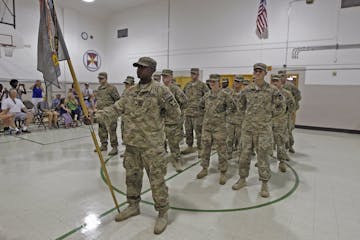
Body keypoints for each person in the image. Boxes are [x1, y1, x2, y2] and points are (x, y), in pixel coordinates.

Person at [85, 57, 181, 234]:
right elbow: (115, 109)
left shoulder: (161, 91)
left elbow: (175, 115)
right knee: (132, 178)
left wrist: (159, 132)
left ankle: (162, 212)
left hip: (152, 147)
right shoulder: (130, 92)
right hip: (132, 146)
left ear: (152, 70)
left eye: (143, 68)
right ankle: (133, 205)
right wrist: (95, 117)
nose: (139, 71)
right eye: (137, 68)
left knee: (157, 181)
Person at [232, 63, 285, 198]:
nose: (257, 73)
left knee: (262, 157)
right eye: (255, 71)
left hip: (263, 130)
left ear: (265, 73)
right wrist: (248, 117)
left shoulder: (272, 90)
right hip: (248, 130)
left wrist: (269, 116)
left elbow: (281, 107)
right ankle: (242, 179)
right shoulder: (247, 90)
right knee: (243, 156)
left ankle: (264, 184)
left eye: (260, 71)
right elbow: (240, 106)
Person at [196, 74, 235, 185]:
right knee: (205, 149)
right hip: (207, 127)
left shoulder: (225, 95)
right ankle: (204, 168)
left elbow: (233, 108)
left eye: (214, 82)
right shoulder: (206, 96)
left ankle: (223, 172)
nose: (211, 84)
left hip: (219, 128)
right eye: (210, 82)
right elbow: (200, 106)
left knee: (222, 150)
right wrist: (206, 116)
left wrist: (223, 116)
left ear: (219, 82)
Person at [161, 69, 188, 172]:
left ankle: (176, 160)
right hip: (161, 121)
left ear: (171, 77)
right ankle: (163, 157)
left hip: (173, 122)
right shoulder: (160, 89)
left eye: (166, 76)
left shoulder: (175, 89)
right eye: (163, 76)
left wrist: (179, 115)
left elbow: (185, 102)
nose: (164, 78)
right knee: (161, 142)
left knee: (173, 143)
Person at [270, 75, 295, 172]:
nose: (275, 83)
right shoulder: (269, 93)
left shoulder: (287, 94)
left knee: (280, 143)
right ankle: (266, 159)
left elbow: (292, 107)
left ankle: (282, 162)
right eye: (273, 81)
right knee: (267, 142)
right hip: (269, 122)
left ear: (281, 82)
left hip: (281, 123)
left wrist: (284, 116)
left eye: (277, 81)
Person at [182, 68, 209, 157]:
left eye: (194, 74)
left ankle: (200, 149)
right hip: (188, 113)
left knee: (199, 132)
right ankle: (189, 146)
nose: (193, 75)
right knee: (188, 131)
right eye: (191, 74)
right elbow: (183, 95)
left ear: (198, 75)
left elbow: (207, 96)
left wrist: (202, 105)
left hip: (198, 114)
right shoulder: (187, 85)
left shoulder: (202, 85)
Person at [94, 72, 120, 156]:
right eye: (99, 79)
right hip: (101, 114)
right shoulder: (99, 89)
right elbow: (98, 100)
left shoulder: (111, 88)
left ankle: (114, 147)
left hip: (110, 114)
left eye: (101, 78)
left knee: (112, 131)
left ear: (106, 78)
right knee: (101, 130)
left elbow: (118, 100)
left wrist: (114, 111)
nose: (100, 80)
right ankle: (103, 145)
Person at [278, 70, 302, 153]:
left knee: (288, 129)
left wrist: (292, 107)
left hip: (288, 112)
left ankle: (290, 145)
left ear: (285, 76)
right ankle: (279, 147)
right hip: (278, 113)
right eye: (280, 76)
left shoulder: (290, 86)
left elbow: (298, 95)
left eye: (283, 76)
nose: (281, 78)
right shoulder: (275, 86)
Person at [226, 75, 246, 160]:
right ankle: (229, 153)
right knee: (229, 139)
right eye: (235, 81)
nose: (236, 83)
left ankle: (239, 155)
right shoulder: (229, 93)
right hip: (230, 120)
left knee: (240, 140)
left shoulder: (245, 94)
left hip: (240, 121)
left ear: (241, 83)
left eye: (238, 82)